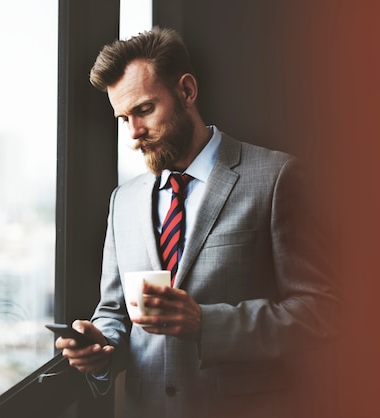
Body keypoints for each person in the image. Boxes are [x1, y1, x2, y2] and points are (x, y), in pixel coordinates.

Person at [55, 27, 340, 418]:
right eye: (123, 118)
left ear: (187, 91)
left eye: (144, 110)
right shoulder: (124, 201)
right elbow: (115, 311)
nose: (134, 134)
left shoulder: (277, 178)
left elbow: (320, 312)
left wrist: (207, 323)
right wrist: (99, 345)